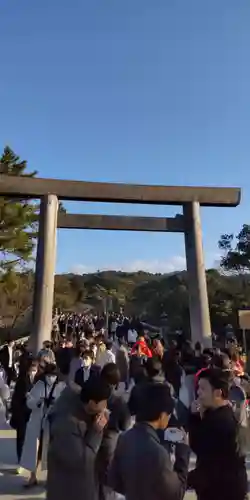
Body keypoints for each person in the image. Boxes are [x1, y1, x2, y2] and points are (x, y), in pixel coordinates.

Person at [109, 383, 189, 500]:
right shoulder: (159, 453)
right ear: (162, 416)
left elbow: (114, 481)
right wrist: (183, 451)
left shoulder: (124, 438)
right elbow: (176, 493)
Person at [46, 376, 111, 500]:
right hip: (69, 489)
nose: (106, 405)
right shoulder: (66, 424)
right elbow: (81, 460)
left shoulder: (85, 407)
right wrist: (96, 432)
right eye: (104, 401)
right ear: (92, 403)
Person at [188, 368, 248, 500]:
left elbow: (200, 448)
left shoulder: (221, 422)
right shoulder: (219, 414)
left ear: (218, 393)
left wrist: (183, 480)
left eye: (203, 389)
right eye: (198, 388)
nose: (198, 393)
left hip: (223, 492)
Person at [20, 362, 65, 487]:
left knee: (51, 452)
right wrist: (38, 402)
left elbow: (65, 405)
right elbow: (29, 402)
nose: (51, 377)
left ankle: (51, 478)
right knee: (35, 451)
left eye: (53, 375)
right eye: (49, 375)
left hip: (53, 424)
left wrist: (54, 404)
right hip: (37, 422)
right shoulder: (39, 385)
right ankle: (32, 476)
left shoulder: (61, 387)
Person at [97, 363, 131, 500]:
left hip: (91, 439)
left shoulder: (94, 396)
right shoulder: (118, 400)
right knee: (108, 482)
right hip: (111, 441)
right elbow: (125, 425)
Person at [10, 358, 37, 473]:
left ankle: (30, 460)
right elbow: (17, 397)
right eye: (33, 369)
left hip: (33, 413)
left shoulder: (39, 381)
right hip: (22, 412)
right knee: (21, 437)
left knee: (30, 438)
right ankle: (20, 462)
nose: (34, 371)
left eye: (36, 369)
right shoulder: (22, 381)